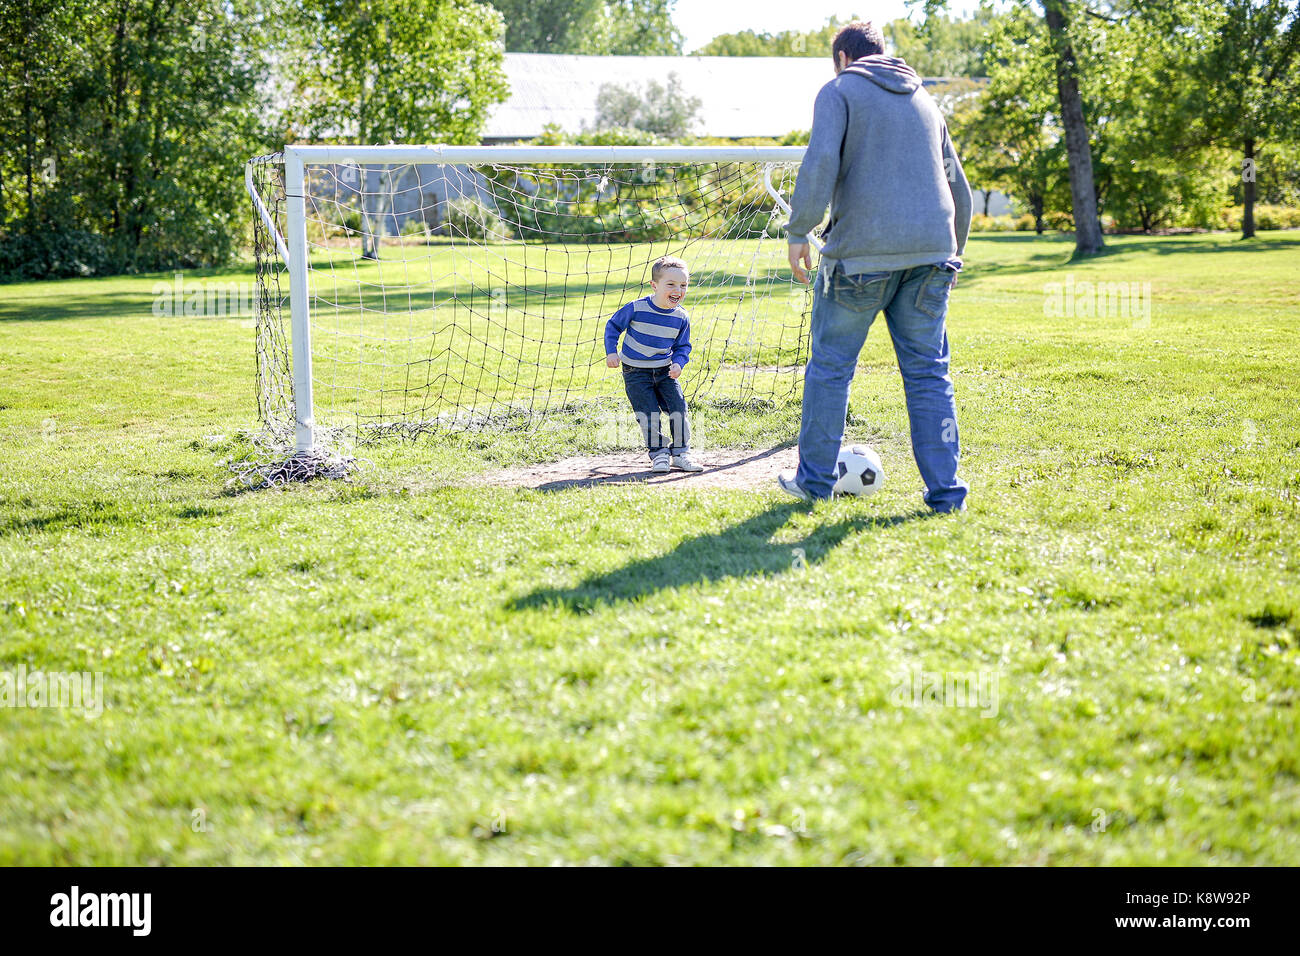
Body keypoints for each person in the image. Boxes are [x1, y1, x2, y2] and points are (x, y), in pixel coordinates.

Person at [777, 20, 972, 513]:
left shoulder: (839, 91)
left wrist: (799, 230)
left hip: (859, 260)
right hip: (932, 258)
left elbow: (819, 163)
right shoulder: (927, 102)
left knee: (830, 369)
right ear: (883, 53)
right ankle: (947, 496)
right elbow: (959, 189)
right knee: (929, 375)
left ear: (843, 58)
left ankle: (815, 484)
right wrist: (953, 254)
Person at [605, 255, 704, 473]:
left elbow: (682, 346)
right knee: (648, 413)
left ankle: (680, 453)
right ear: (654, 285)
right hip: (635, 371)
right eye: (671, 284)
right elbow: (612, 326)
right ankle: (659, 454)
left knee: (678, 407)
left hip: (664, 371)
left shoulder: (681, 316)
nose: (678, 290)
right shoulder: (636, 308)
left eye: (683, 285)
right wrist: (611, 352)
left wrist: (678, 363)